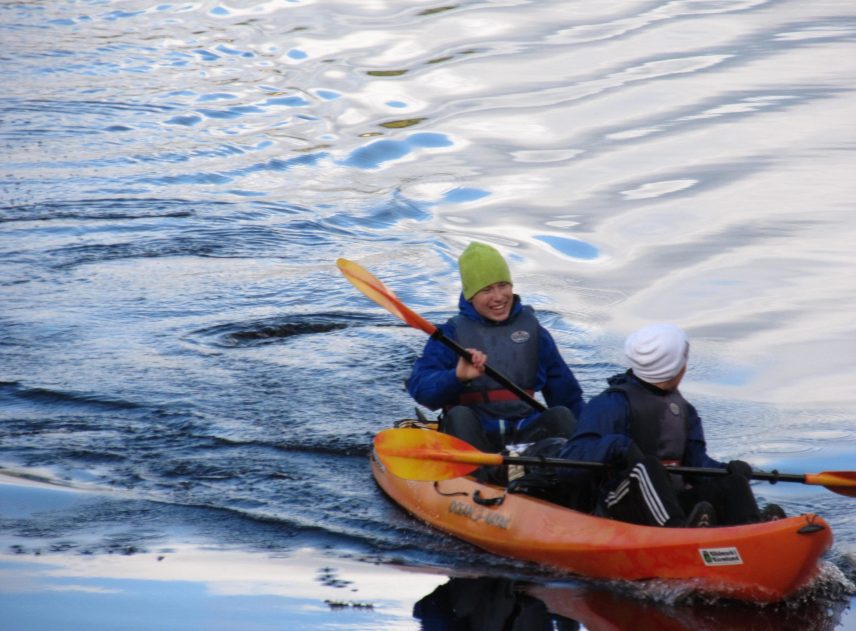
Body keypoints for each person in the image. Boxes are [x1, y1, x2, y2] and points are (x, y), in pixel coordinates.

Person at [555, 322, 784, 527]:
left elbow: (696, 465)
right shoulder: (610, 404)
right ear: (679, 367)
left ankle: (752, 529)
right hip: (618, 508)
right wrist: (618, 446)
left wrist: (726, 471)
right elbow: (568, 463)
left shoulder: (685, 410)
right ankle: (680, 534)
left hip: (669, 500)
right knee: (649, 468)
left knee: (731, 480)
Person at [406, 242, 584, 475]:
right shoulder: (450, 335)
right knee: (460, 415)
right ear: (470, 296)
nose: (498, 297)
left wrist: (594, 438)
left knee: (560, 415)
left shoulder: (535, 333)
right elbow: (421, 390)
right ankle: (489, 477)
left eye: (503, 285)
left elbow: (569, 398)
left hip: (524, 432)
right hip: (473, 436)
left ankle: (546, 475)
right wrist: (457, 376)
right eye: (486, 290)